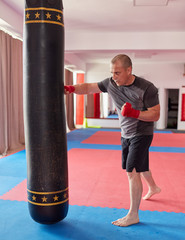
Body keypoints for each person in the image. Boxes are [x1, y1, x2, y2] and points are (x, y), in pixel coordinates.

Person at [64, 54, 161, 227]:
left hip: (142, 134)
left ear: (129, 70)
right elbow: (88, 87)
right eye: (112, 72)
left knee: (132, 171)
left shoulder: (147, 88)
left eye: (117, 73)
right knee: (140, 165)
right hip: (125, 134)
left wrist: (135, 113)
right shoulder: (110, 83)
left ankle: (133, 214)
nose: (114, 77)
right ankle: (153, 187)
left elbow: (155, 114)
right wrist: (71, 88)